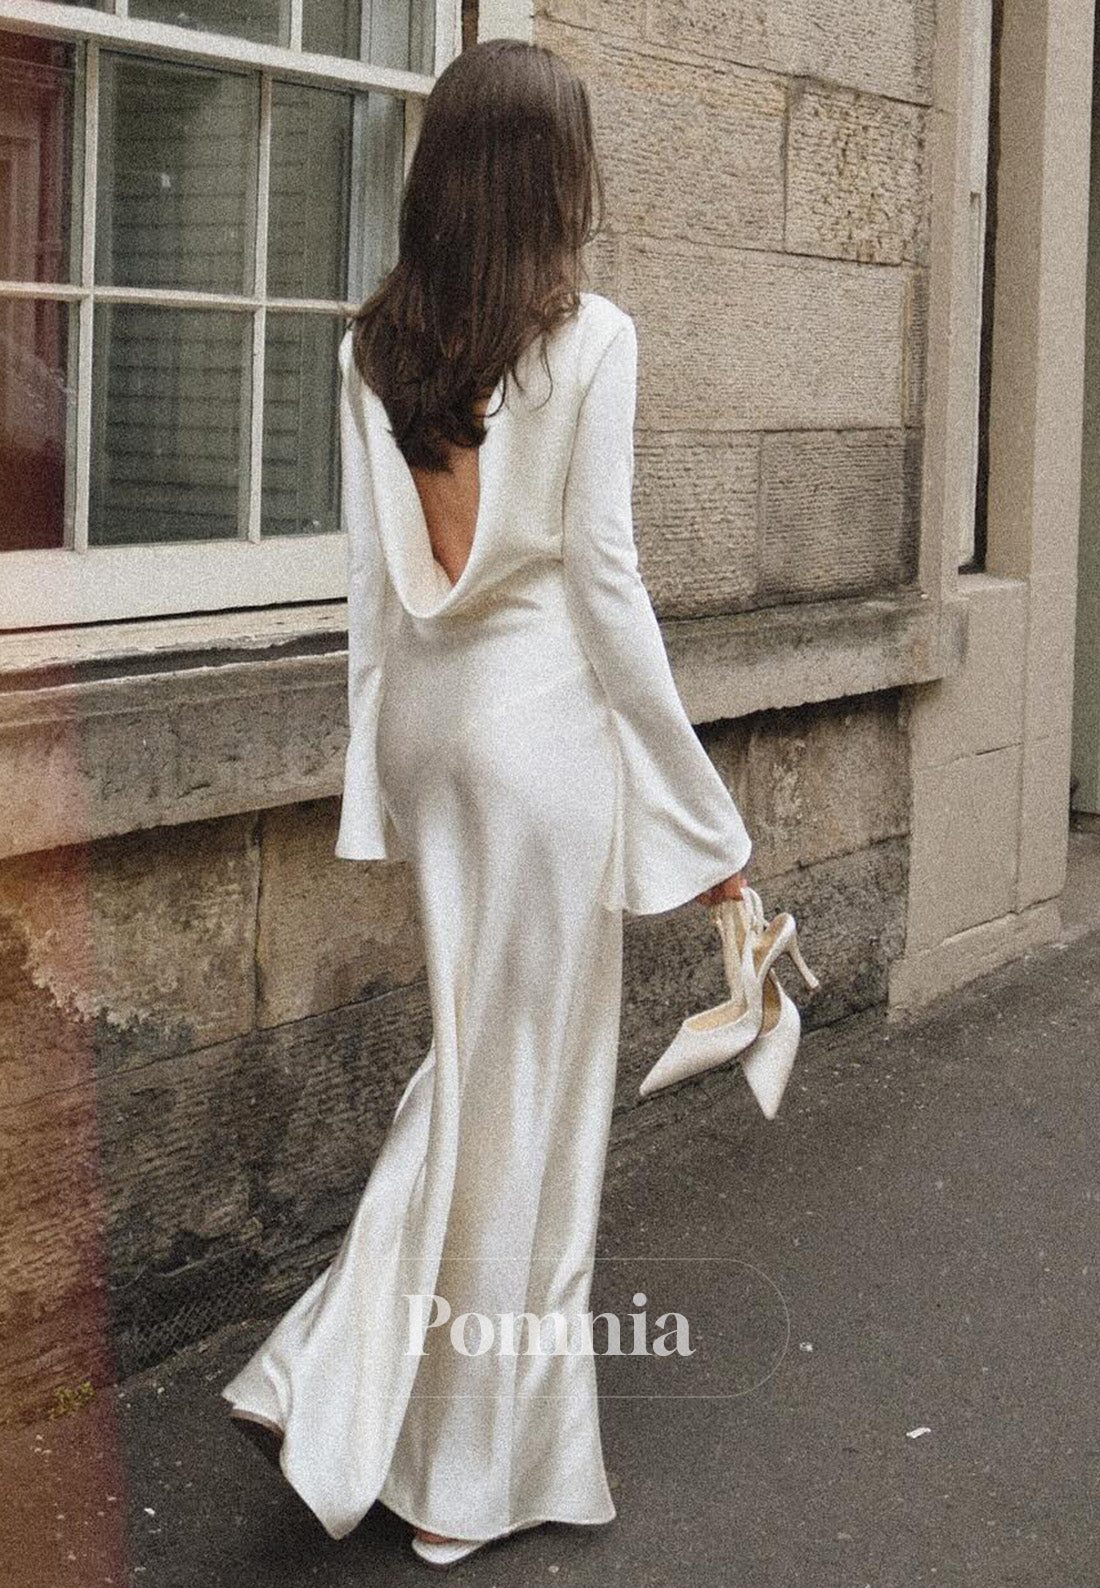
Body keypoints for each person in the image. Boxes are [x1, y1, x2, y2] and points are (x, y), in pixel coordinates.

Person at [220, 35, 751, 1565]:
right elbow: (607, 592)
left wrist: (373, 791)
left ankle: (397, 1420)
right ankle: (417, 1445)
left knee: (479, 1071)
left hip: (436, 735)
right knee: (531, 1103)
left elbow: (370, 597)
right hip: (540, 748)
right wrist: (709, 824)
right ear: (553, 175)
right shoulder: (591, 342)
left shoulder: (375, 346)